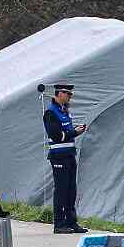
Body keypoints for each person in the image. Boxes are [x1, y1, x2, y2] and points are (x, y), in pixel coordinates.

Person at [42, 83, 87, 234]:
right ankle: (59, 224)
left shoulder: (65, 111)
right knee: (61, 190)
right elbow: (56, 135)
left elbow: (66, 131)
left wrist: (74, 131)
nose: (69, 97)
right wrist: (74, 133)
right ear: (59, 93)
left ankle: (71, 221)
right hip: (58, 156)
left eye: (70, 95)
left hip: (69, 154)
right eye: (68, 94)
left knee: (71, 190)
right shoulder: (51, 112)